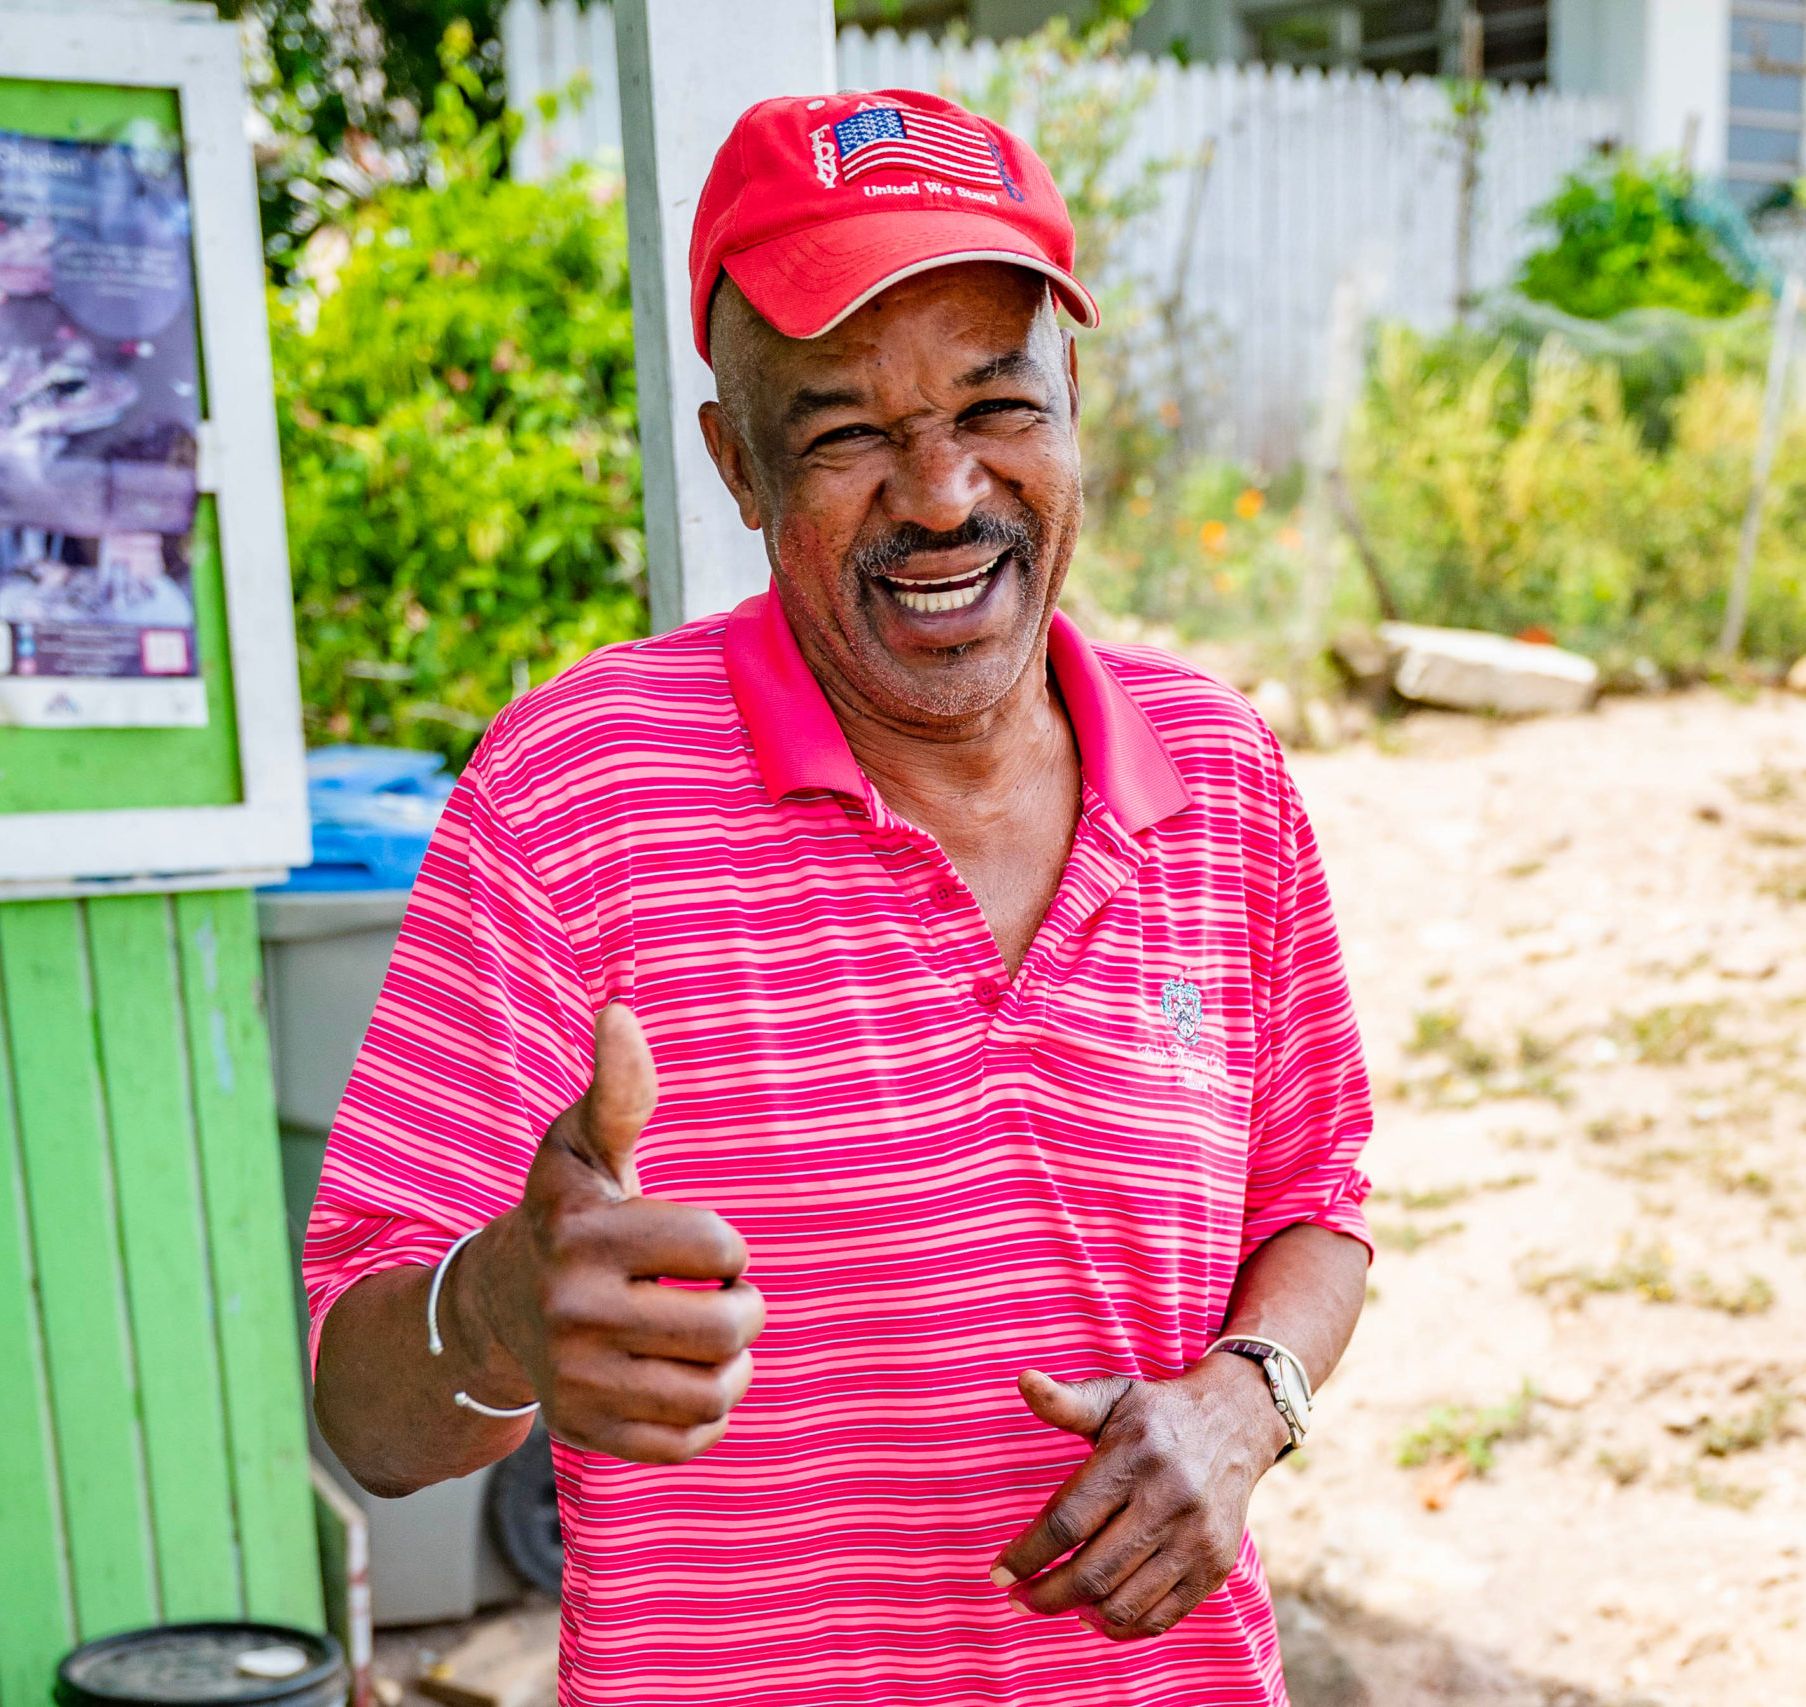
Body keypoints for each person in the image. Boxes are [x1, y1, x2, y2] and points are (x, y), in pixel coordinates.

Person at [303, 88, 1374, 1705]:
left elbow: (1317, 1201)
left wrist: (1245, 1402)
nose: (944, 493)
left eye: (997, 405)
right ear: (736, 462)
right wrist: (501, 1317)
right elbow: (366, 1420)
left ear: (1074, 404)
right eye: (849, 431)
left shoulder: (1216, 774)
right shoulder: (571, 794)